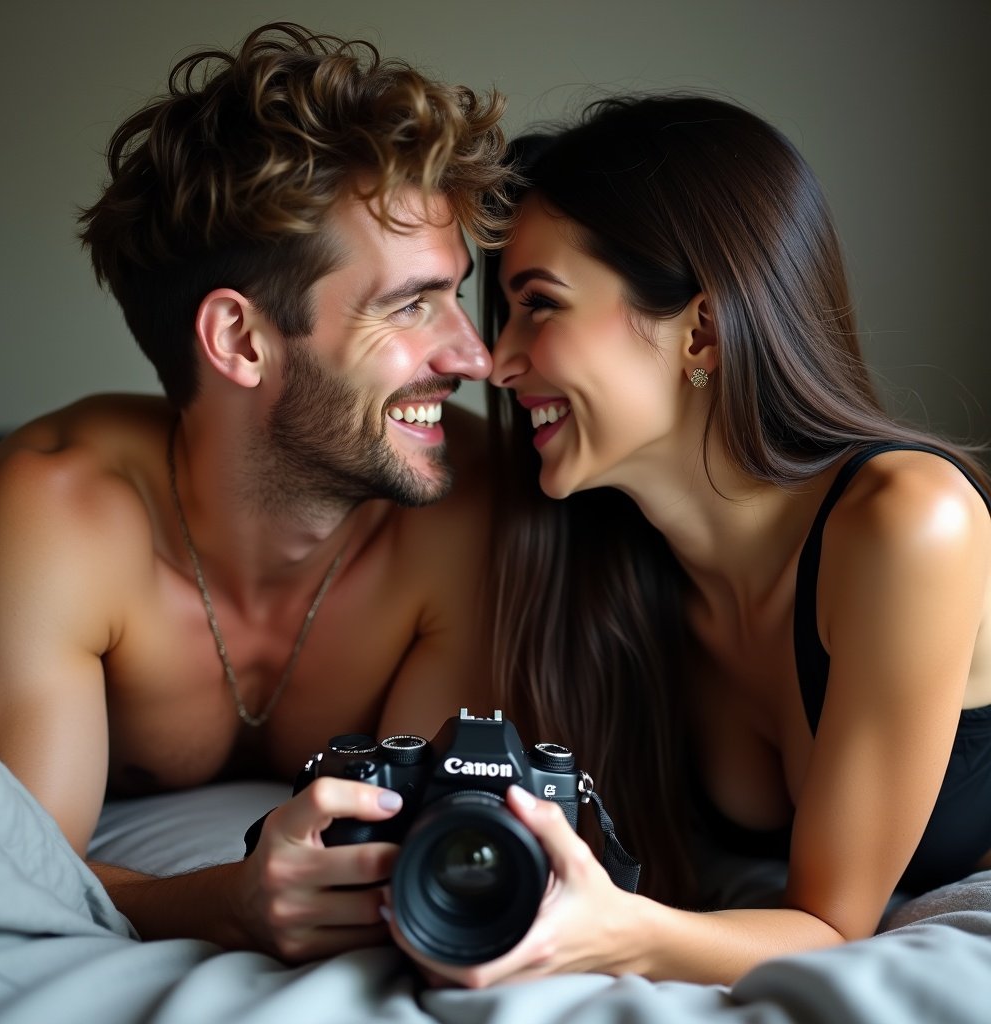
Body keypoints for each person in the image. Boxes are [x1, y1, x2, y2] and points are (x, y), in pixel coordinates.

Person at [387, 93, 991, 987]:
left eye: (538, 305)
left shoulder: (908, 523)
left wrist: (605, 933)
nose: (495, 359)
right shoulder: (603, 564)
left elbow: (831, 925)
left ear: (700, 328)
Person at [0, 22, 515, 963]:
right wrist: (231, 901)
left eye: (458, 296)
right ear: (242, 341)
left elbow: (418, 843)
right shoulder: (60, 508)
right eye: (410, 305)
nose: (475, 357)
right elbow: (25, 876)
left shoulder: (465, 507)